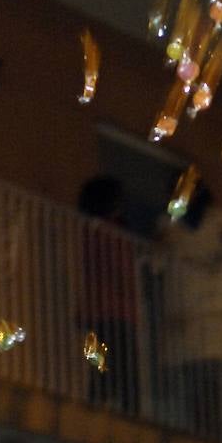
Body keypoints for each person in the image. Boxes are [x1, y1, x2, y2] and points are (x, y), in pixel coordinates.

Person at [159, 182, 222, 443]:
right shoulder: (169, 224)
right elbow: (156, 264)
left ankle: (209, 432)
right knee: (193, 377)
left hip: (216, 313)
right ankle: (199, 432)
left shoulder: (219, 221)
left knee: (211, 377)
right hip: (184, 314)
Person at [78, 174, 140, 416]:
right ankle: (127, 416)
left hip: (101, 311)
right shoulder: (110, 230)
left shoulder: (91, 230)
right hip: (117, 313)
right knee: (124, 370)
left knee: (102, 367)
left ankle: (99, 410)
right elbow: (121, 270)